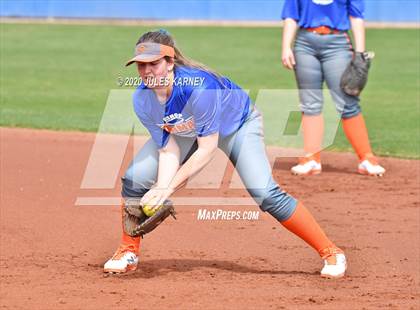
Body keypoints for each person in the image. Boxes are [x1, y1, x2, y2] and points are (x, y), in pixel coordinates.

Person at [103, 29, 347, 278]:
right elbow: (168, 148)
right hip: (185, 132)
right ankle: (127, 251)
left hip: (237, 126)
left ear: (170, 62)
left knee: (264, 192)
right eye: (140, 66)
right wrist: (160, 187)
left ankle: (331, 252)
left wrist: (167, 189)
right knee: (136, 178)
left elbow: (207, 149)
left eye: (153, 64)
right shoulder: (142, 98)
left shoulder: (200, 88)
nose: (146, 72)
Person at [281, 0, 386, 176]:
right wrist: (286, 47)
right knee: (310, 103)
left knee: (347, 102)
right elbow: (291, 15)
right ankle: (311, 159)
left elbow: (356, 15)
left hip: (337, 43)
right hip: (305, 43)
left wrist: (360, 53)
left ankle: (366, 159)